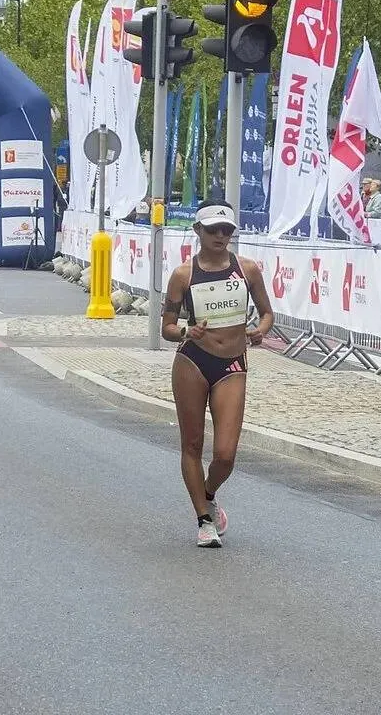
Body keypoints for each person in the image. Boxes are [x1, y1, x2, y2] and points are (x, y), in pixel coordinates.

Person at [160, 199, 274, 548]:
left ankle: (208, 493)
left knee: (225, 455)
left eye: (227, 230)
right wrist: (185, 331)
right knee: (192, 444)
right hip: (193, 362)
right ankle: (204, 520)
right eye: (213, 230)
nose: (220, 236)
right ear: (198, 231)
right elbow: (167, 327)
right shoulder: (183, 275)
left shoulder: (247, 269)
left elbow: (267, 314)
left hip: (232, 364)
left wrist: (260, 331)